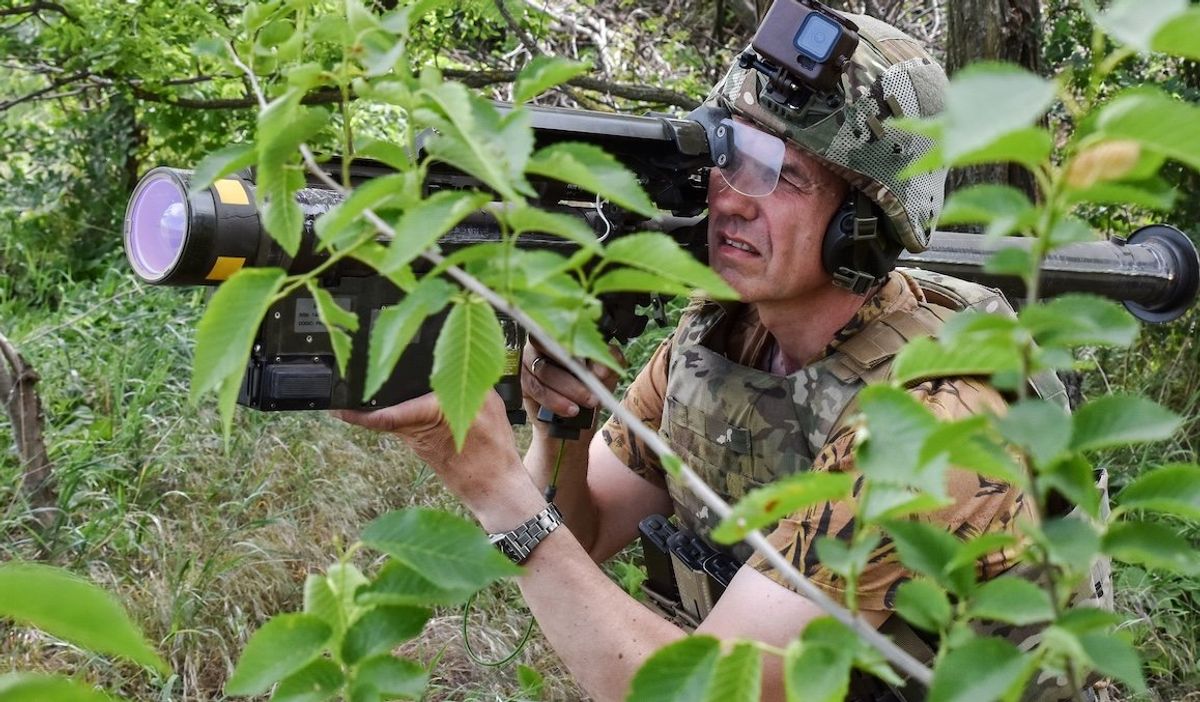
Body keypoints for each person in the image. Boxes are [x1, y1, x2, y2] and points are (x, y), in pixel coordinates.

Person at [338, 9, 1097, 702]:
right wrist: (555, 428)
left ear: (861, 224)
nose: (730, 196)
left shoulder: (934, 422)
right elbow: (589, 533)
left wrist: (485, 474)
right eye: (730, 155)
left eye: (777, 172)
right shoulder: (723, 337)